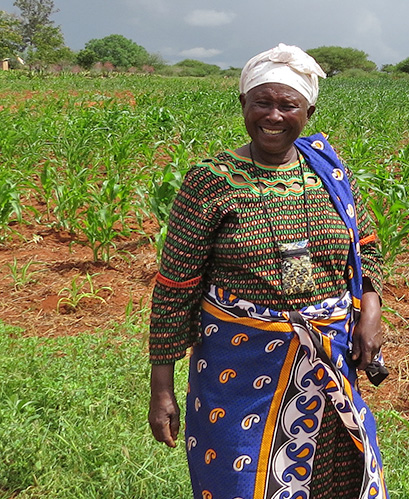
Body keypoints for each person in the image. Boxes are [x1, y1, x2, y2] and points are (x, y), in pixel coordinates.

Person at [148, 43, 388, 499]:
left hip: (326, 361)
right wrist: (162, 389)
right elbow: (175, 286)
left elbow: (365, 246)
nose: (273, 116)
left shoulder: (327, 172)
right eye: (262, 102)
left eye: (287, 105)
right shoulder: (212, 179)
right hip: (239, 369)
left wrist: (370, 307)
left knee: (335, 478)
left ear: (309, 111)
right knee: (240, 481)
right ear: (243, 103)